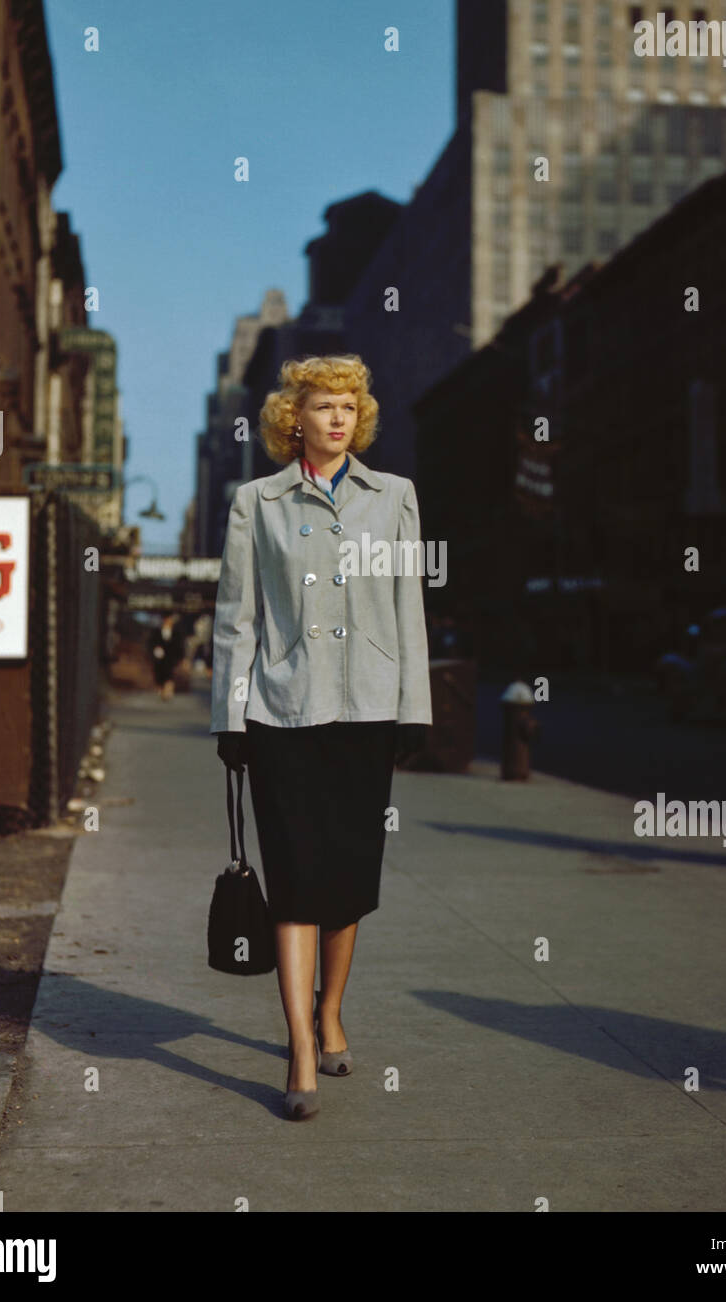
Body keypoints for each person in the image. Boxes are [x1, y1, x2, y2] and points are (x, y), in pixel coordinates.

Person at [210, 354, 432, 1120]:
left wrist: (415, 707)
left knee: (347, 883)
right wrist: (230, 718)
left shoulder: (394, 498)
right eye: (322, 405)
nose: (337, 417)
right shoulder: (257, 503)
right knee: (297, 880)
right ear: (292, 418)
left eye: (348, 406)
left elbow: (409, 608)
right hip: (283, 712)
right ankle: (301, 1047)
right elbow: (237, 619)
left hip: (367, 709)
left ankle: (331, 1006)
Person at [148, 612, 184, 701]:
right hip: (159, 659)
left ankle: (168, 692)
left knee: (170, 675)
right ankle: (162, 690)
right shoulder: (156, 631)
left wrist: (180, 658)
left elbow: (180, 646)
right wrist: (155, 650)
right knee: (160, 675)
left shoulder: (176, 633)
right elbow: (151, 643)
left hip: (171, 658)